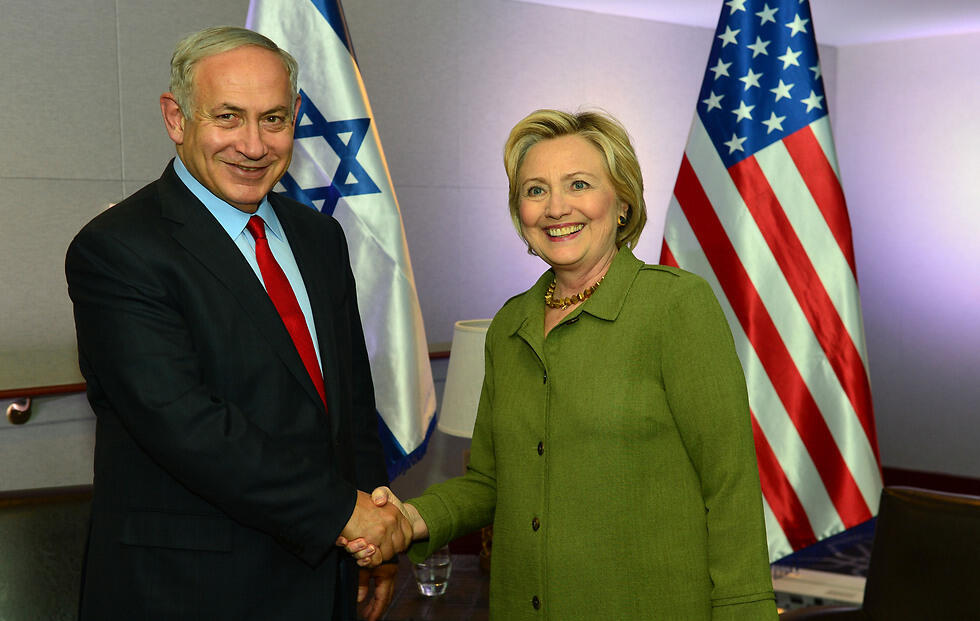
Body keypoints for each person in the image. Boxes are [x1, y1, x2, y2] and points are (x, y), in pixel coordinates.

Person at [344, 109, 779, 619]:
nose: (555, 207)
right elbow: (489, 482)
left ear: (622, 202)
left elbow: (729, 485)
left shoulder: (676, 307)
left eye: (578, 184)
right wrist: (406, 518)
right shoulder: (509, 326)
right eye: (534, 190)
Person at [65, 26, 410, 621]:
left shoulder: (318, 237)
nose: (253, 145)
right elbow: (185, 423)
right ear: (177, 118)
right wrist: (342, 514)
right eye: (228, 117)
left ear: (296, 116)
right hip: (186, 590)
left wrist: (370, 538)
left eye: (273, 119)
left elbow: (349, 398)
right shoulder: (117, 249)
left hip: (323, 575)